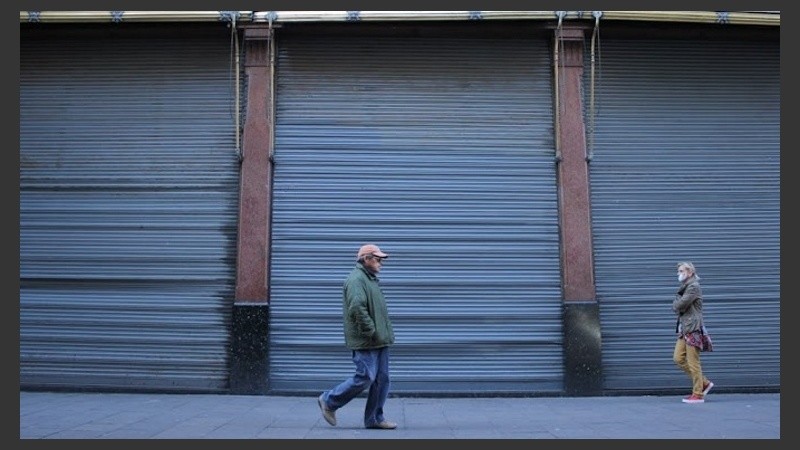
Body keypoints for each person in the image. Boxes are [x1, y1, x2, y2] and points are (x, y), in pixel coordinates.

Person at [317, 243, 397, 429]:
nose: (381, 263)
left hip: (379, 340)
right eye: (377, 259)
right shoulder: (356, 280)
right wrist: (370, 331)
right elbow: (357, 308)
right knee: (365, 377)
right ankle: (329, 401)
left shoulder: (370, 279)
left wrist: (382, 334)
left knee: (381, 380)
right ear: (366, 259)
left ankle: (374, 419)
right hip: (366, 340)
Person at [672, 261, 714, 404]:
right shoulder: (685, 287)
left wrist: (677, 302)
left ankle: (698, 394)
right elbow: (678, 305)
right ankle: (704, 383)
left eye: (681, 271)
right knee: (678, 358)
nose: (679, 274)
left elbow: (680, 305)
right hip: (685, 328)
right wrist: (678, 303)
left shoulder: (693, 287)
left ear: (690, 272)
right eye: (678, 271)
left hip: (693, 328)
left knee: (693, 362)